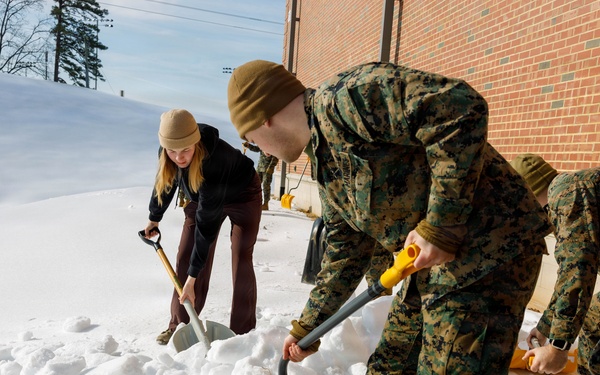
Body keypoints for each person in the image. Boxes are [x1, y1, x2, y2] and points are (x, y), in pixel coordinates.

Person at [226, 60, 553, 374]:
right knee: (390, 366)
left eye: (251, 141)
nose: (262, 151)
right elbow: (345, 255)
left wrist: (441, 224)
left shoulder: (348, 99)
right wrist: (308, 326)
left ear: (263, 118)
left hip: (491, 251)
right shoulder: (326, 165)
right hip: (432, 269)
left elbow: (459, 106)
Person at [143, 109, 262, 345]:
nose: (179, 157)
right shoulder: (169, 152)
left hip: (243, 194)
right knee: (186, 255)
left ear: (196, 143)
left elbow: (206, 228)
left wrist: (192, 279)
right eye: (172, 151)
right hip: (202, 194)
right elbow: (165, 182)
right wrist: (154, 217)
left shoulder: (213, 160)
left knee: (241, 256)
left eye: (185, 150)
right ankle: (179, 326)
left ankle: (242, 332)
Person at [511, 154, 599, 375]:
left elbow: (577, 270)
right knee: (593, 319)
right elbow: (568, 276)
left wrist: (558, 346)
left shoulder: (566, 191)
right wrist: (545, 326)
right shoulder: (566, 194)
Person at [243, 141, 279, 210]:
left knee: (266, 186)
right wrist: (248, 145)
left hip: (267, 170)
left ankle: (265, 204)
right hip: (259, 168)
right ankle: (256, 202)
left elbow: (275, 158)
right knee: (255, 185)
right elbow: (256, 148)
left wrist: (270, 168)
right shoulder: (263, 145)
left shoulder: (274, 146)